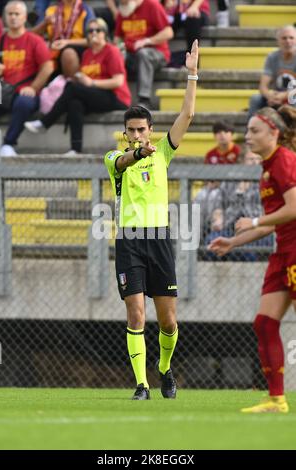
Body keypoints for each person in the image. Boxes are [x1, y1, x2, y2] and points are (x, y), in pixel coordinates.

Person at [104, 39, 199, 400]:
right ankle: (142, 384)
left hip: (159, 239)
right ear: (125, 133)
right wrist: (134, 152)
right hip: (129, 240)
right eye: (132, 130)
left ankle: (164, 369)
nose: (138, 134)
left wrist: (191, 74)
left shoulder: (163, 153)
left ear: (151, 130)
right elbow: (123, 163)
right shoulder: (114, 157)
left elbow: (187, 115)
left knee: (169, 322)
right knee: (135, 316)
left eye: (143, 129)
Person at [208, 105, 296, 413]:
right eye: (246, 131)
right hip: (282, 252)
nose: (248, 137)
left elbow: (293, 208)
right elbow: (274, 221)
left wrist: (255, 222)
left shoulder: (284, 161)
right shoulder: (268, 168)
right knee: (264, 323)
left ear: (274, 133)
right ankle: (276, 400)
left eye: (254, 131)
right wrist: (233, 241)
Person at [24, 18, 131, 155]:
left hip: (116, 97)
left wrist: (91, 83)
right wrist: (81, 78)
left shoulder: (112, 51)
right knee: (75, 103)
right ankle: (75, 149)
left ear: (105, 33)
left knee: (72, 88)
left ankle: (46, 122)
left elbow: (118, 81)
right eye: (90, 31)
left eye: (98, 30)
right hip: (96, 95)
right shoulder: (87, 53)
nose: (94, 33)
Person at [0, 1, 53, 157]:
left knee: (24, 102)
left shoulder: (34, 40)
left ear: (24, 17)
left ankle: (8, 144)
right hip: (2, 90)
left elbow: (48, 67)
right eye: (10, 14)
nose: (13, 17)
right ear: (5, 17)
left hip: (24, 90)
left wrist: (34, 87)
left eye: (17, 14)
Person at [114, 0, 173, 109]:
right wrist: (119, 46)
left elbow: (168, 32)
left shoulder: (152, 5)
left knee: (143, 53)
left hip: (156, 52)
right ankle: (118, 99)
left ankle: (144, 99)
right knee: (116, 55)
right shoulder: (122, 12)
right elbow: (117, 37)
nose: (123, 5)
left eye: (125, 3)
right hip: (132, 54)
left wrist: (147, 41)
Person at [32, 0, 95, 78]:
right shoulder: (51, 10)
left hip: (77, 48)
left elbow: (92, 40)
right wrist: (45, 23)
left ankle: (71, 87)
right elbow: (31, 36)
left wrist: (66, 42)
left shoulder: (85, 10)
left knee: (68, 53)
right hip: (55, 48)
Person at [248, 25, 296, 119]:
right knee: (255, 99)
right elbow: (263, 86)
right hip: (275, 96)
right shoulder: (272, 57)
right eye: (284, 38)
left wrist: (284, 96)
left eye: (291, 38)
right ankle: (251, 131)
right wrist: (269, 95)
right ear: (278, 41)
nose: (288, 41)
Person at [161, 0, 210, 67]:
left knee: (193, 19)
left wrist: (194, 6)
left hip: (196, 10)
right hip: (176, 11)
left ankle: (193, 58)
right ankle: (164, 57)